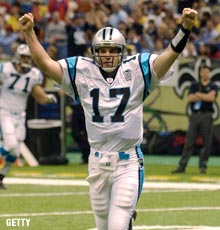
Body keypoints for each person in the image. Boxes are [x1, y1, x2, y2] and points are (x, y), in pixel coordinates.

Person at [18, 8, 197, 230]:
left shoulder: (137, 69)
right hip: (97, 162)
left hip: (128, 162)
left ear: (123, 51)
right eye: (102, 50)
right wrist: (29, 33)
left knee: (116, 225)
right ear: (94, 52)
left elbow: (170, 54)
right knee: (103, 226)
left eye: (113, 50)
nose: (107, 55)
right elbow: (45, 64)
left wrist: (185, 29)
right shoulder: (81, 70)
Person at [0, 44, 57, 189]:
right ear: (18, 57)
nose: (26, 60)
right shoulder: (5, 69)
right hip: (4, 111)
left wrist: (46, 98)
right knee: (10, 145)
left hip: (20, 115)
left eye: (28, 57)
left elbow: (38, 95)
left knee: (15, 152)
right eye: (24, 57)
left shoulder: (33, 74)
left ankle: (1, 176)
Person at [172, 64, 218, 174]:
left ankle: (203, 166)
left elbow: (211, 98)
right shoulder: (194, 84)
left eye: (207, 72)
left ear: (209, 73)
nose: (205, 74)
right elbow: (190, 98)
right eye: (203, 71)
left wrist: (198, 94)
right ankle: (182, 166)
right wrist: (204, 96)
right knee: (189, 141)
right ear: (200, 73)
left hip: (207, 115)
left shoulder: (213, 85)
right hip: (195, 115)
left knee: (206, 142)